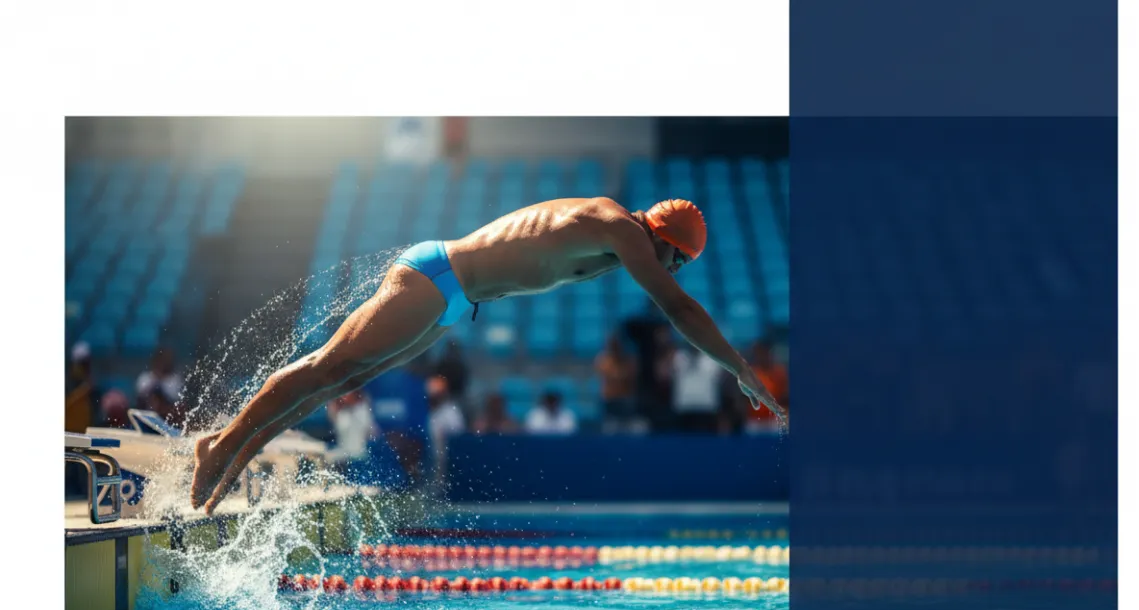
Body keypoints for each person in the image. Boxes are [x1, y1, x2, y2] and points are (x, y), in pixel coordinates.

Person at [191, 197, 786, 513]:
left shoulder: (624, 240)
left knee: (341, 381)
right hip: (436, 275)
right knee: (330, 367)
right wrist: (740, 368)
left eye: (679, 265)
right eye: (674, 258)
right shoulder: (619, 227)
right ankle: (220, 446)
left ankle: (236, 453)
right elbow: (679, 310)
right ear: (656, 233)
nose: (670, 271)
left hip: (453, 303)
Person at [594, 333, 639, 433]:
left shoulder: (629, 360)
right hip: (610, 400)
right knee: (610, 428)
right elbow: (612, 376)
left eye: (618, 345)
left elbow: (631, 375)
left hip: (626, 400)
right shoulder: (604, 359)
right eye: (613, 346)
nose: (616, 348)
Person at [671, 348, 723, 433]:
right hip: (684, 407)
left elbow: (719, 377)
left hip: (707, 408)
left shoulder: (711, 358)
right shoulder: (679, 357)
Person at [744, 340, 789, 434]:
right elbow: (744, 398)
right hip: (754, 420)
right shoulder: (751, 373)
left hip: (774, 419)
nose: (761, 356)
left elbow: (785, 396)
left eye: (763, 352)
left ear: (769, 353)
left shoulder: (779, 372)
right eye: (759, 353)